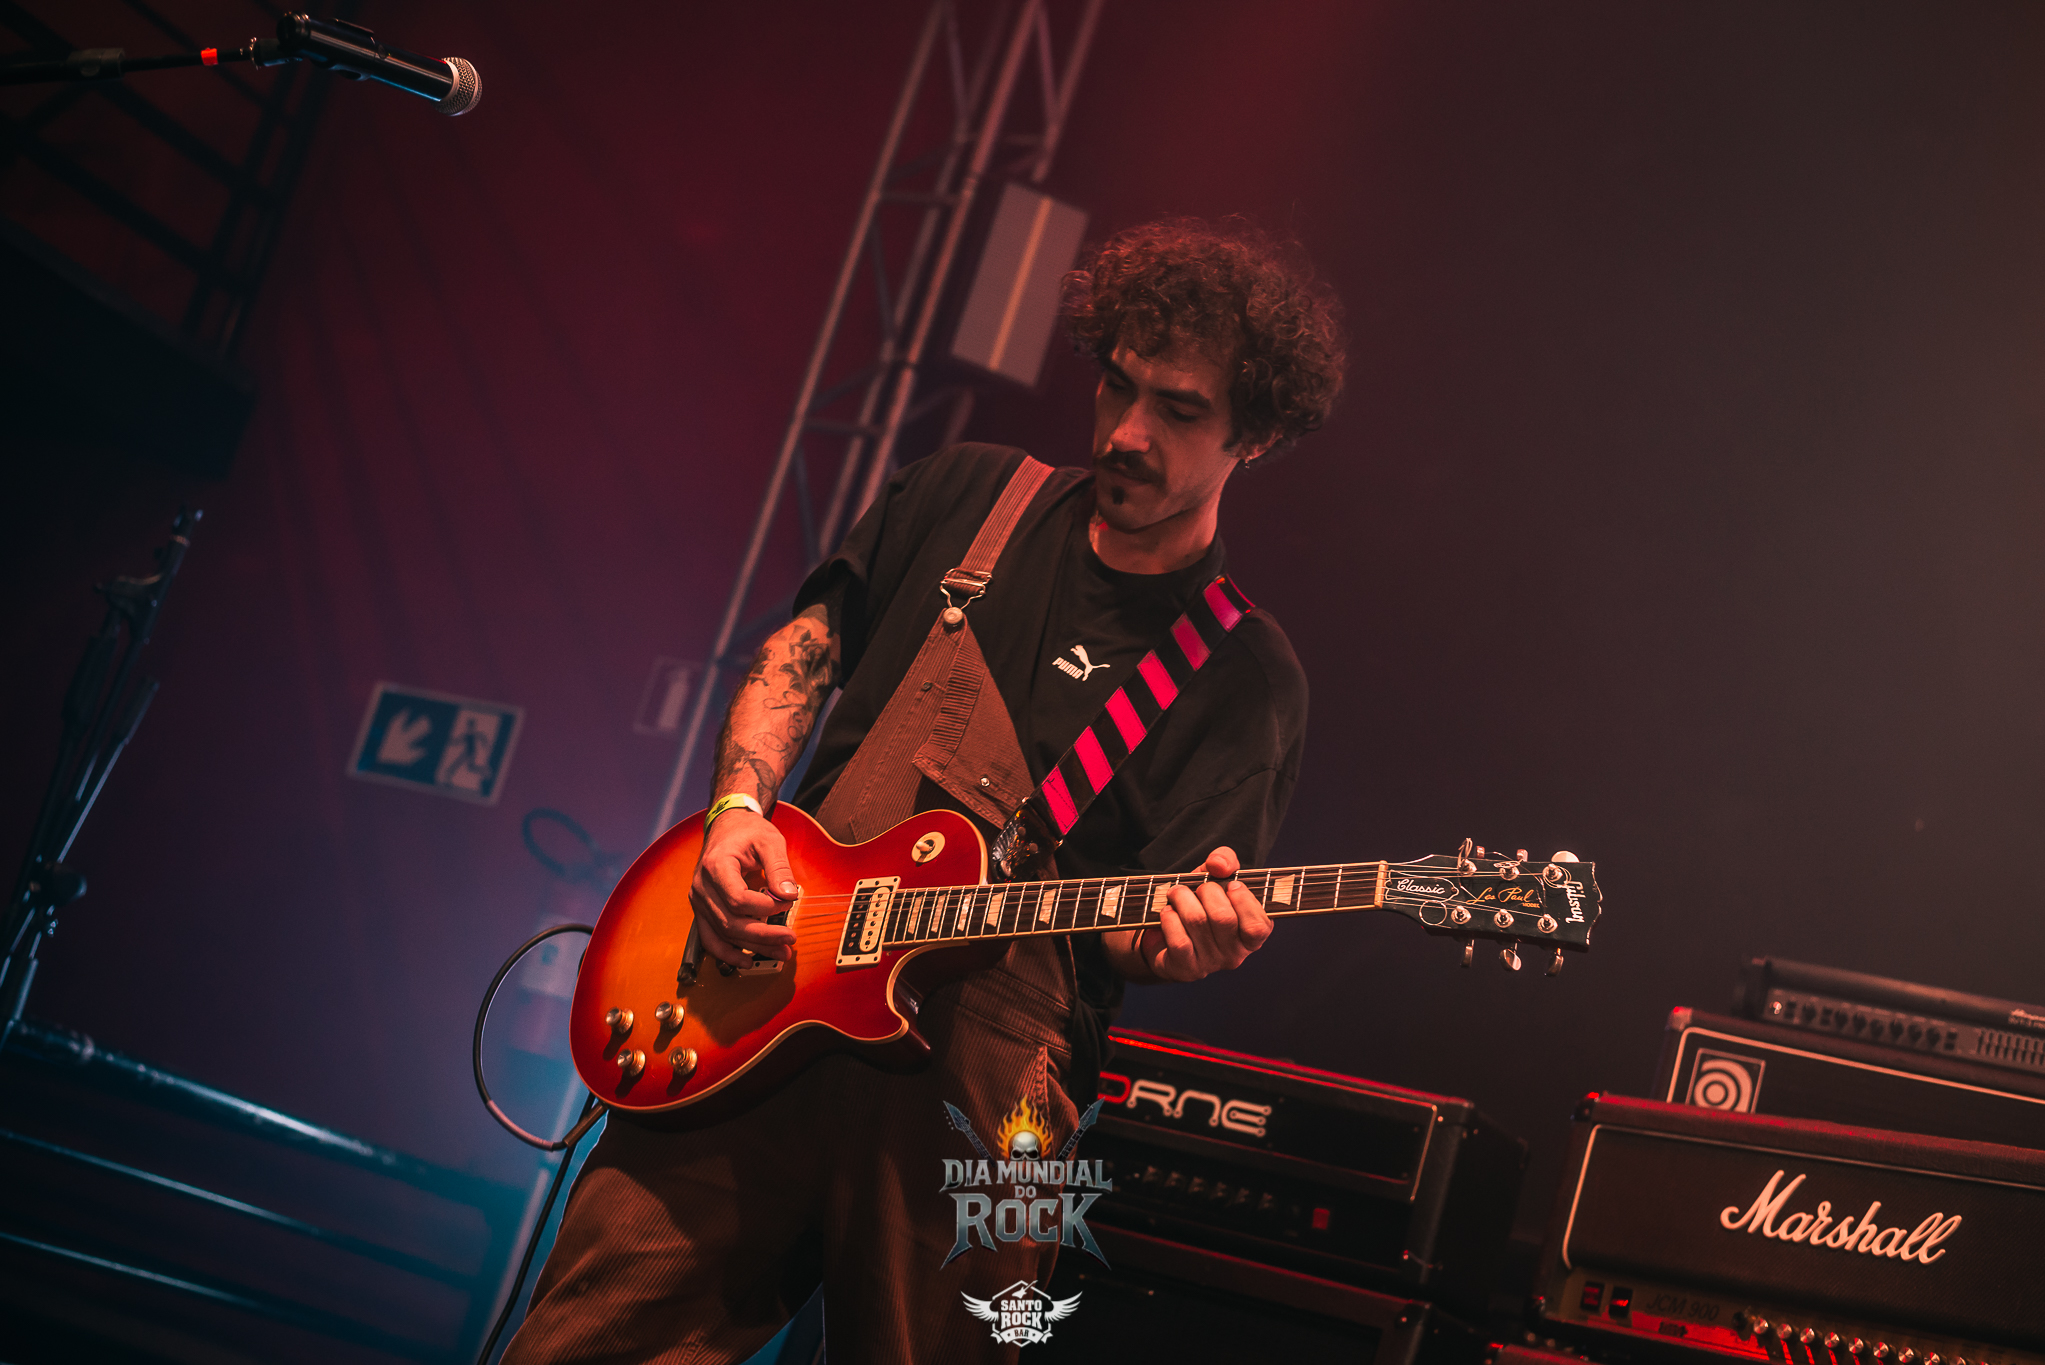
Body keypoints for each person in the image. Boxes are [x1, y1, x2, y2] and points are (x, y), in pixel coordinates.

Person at [504, 218, 1346, 1364]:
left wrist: (1184, 945)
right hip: (760, 995)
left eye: (1179, 410)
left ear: (1255, 433)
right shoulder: (967, 494)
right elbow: (802, 650)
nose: (1126, 432)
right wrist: (737, 813)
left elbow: (1143, 933)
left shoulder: (1243, 675)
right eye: (1116, 385)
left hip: (983, 1103)